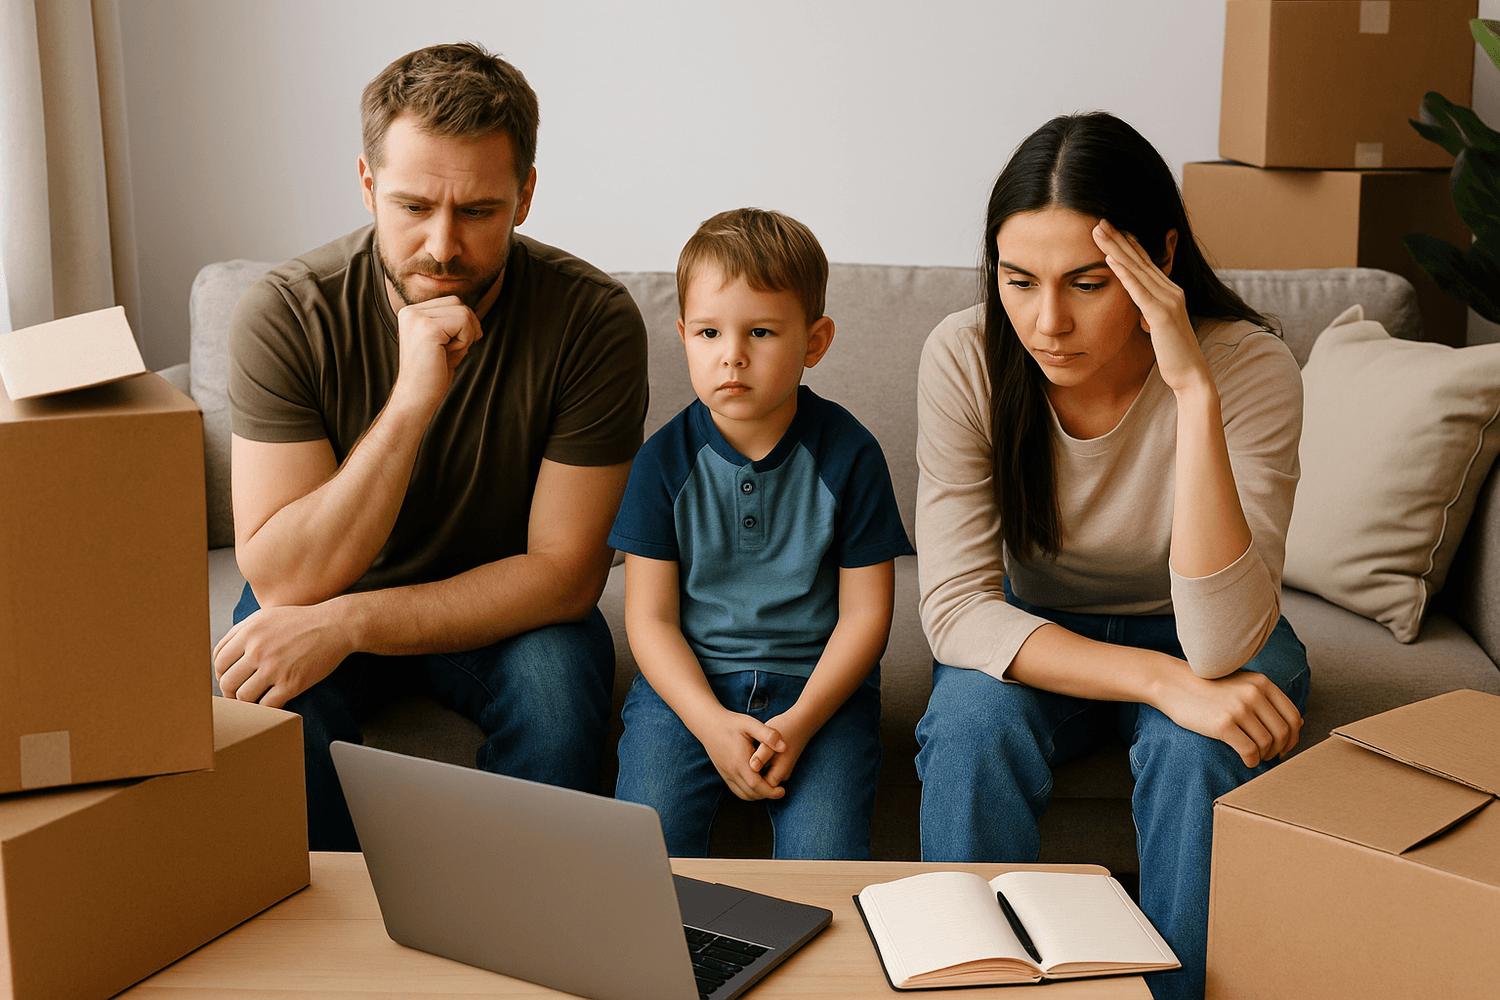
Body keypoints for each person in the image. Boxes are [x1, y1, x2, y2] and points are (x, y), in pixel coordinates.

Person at [212, 42, 648, 852]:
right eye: (414, 207)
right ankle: (340, 946)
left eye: (478, 211)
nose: (443, 247)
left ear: (524, 197)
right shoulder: (284, 313)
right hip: (325, 582)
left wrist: (349, 625)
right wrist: (412, 404)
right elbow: (282, 576)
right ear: (369, 186)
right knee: (259, 687)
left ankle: (522, 937)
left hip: (504, 610)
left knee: (559, 692)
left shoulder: (593, 321)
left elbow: (563, 577)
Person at [913, 112, 1309, 1000]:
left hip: (1214, 631)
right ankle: (974, 988)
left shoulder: (1248, 368)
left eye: (1088, 284)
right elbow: (956, 612)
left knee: (1200, 748)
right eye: (1018, 281)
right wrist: (1157, 679)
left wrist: (1191, 391)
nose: (1046, 322)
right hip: (1044, 629)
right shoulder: (965, 355)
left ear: (1160, 258)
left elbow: (1214, 650)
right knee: (971, 729)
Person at [609, 208, 914, 859]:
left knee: (825, 857)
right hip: (688, 690)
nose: (733, 355)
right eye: (710, 332)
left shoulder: (850, 454)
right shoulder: (662, 461)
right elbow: (650, 621)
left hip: (820, 694)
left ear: (815, 341)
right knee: (644, 850)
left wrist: (800, 723)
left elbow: (866, 617)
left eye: (762, 332)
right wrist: (708, 721)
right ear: (683, 335)